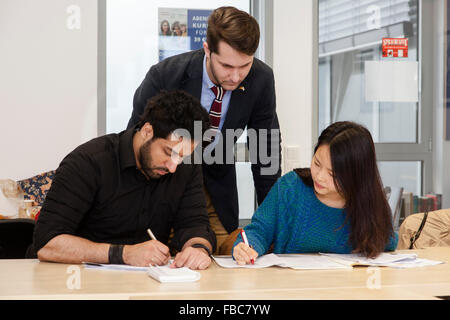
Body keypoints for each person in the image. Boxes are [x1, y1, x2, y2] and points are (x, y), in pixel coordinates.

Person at [127, 6, 281, 253]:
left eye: (245, 65)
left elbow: (266, 152)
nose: (236, 76)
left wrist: (274, 223)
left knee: (222, 264)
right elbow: (134, 142)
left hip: (216, 195)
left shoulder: (261, 79)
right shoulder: (165, 76)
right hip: (163, 185)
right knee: (158, 260)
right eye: (227, 65)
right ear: (207, 49)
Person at [30, 90, 216, 270]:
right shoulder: (89, 161)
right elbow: (47, 243)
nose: (173, 167)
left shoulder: (187, 168)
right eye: (169, 152)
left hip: (149, 282)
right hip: (76, 280)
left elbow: (194, 225)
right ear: (147, 131)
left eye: (182, 157)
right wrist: (123, 254)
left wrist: (198, 249)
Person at [233, 121, 399, 265]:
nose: (319, 177)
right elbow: (259, 230)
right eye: (317, 163)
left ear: (357, 176)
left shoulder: (369, 202)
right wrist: (247, 247)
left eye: (332, 174)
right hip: (292, 289)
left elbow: (387, 243)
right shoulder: (289, 188)